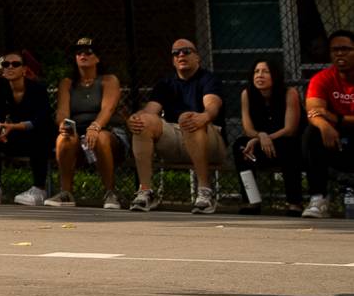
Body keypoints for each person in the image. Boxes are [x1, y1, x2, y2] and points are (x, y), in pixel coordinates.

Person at [128, 36, 225, 214]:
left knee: (187, 118)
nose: (181, 55)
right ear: (173, 60)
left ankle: (205, 191)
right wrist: (135, 118)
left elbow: (212, 106)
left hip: (208, 138)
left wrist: (204, 116)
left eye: (186, 51)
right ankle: (146, 191)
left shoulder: (208, 79)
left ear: (197, 57)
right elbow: (151, 110)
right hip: (174, 138)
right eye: (176, 53)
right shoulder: (165, 84)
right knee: (144, 122)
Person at [49, 37, 126, 209]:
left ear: (97, 58)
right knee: (64, 138)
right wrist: (63, 124)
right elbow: (62, 112)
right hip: (79, 132)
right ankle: (66, 193)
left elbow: (108, 109)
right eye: (79, 53)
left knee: (100, 138)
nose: (83, 55)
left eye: (88, 52)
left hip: (108, 131)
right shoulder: (67, 83)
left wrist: (95, 127)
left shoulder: (109, 80)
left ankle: (110, 193)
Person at [0, 50, 54, 206]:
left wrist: (14, 126)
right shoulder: (2, 87)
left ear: (24, 69)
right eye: (6, 64)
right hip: (15, 132)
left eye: (15, 64)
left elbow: (42, 119)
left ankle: (39, 188)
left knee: (38, 135)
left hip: (39, 132)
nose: (10, 67)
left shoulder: (37, 88)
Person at [231, 60, 304, 214]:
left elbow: (290, 129)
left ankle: (294, 203)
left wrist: (263, 138)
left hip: (286, 143)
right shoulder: (247, 94)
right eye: (256, 72)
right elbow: (248, 128)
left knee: (289, 145)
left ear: (275, 76)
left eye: (265, 71)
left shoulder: (289, 93)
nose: (260, 75)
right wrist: (260, 136)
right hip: (260, 146)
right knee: (240, 146)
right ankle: (251, 201)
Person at [299, 30, 354, 220]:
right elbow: (313, 111)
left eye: (346, 49)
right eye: (335, 50)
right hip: (334, 138)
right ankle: (319, 198)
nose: (340, 54)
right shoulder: (322, 78)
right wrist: (324, 125)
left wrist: (335, 118)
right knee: (311, 133)